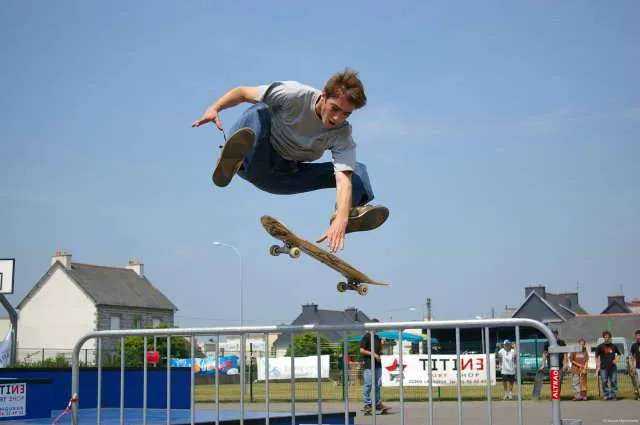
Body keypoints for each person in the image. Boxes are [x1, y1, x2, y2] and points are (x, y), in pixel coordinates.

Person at [192, 69, 389, 253]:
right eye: (334, 108)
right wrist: (214, 108)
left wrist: (341, 218)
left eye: (346, 114)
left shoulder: (342, 134)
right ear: (324, 95)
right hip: (257, 157)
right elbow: (243, 92)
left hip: (284, 176)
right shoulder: (294, 94)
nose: (337, 118)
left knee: (356, 171)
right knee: (260, 110)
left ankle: (348, 212)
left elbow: (343, 179)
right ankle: (232, 157)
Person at [359, 331, 387, 413]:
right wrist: (374, 354)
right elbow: (361, 350)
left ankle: (377, 403)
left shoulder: (377, 337)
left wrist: (382, 343)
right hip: (369, 364)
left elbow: (379, 350)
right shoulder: (366, 336)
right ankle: (367, 404)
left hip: (378, 364)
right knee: (368, 384)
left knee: (377, 384)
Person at [595, 330, 621, 400]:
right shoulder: (600, 346)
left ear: (610, 338)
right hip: (603, 367)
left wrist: (616, 360)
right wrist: (597, 366)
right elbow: (596, 356)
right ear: (603, 338)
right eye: (605, 337)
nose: (606, 338)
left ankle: (614, 395)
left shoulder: (614, 346)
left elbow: (619, 354)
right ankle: (606, 395)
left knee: (613, 381)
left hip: (612, 367)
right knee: (604, 381)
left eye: (608, 337)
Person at [628, 329, 640, 400]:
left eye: (639, 335)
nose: (638, 337)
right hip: (637, 366)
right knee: (636, 382)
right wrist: (632, 366)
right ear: (635, 337)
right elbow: (631, 356)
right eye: (637, 335)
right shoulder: (634, 345)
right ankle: (637, 394)